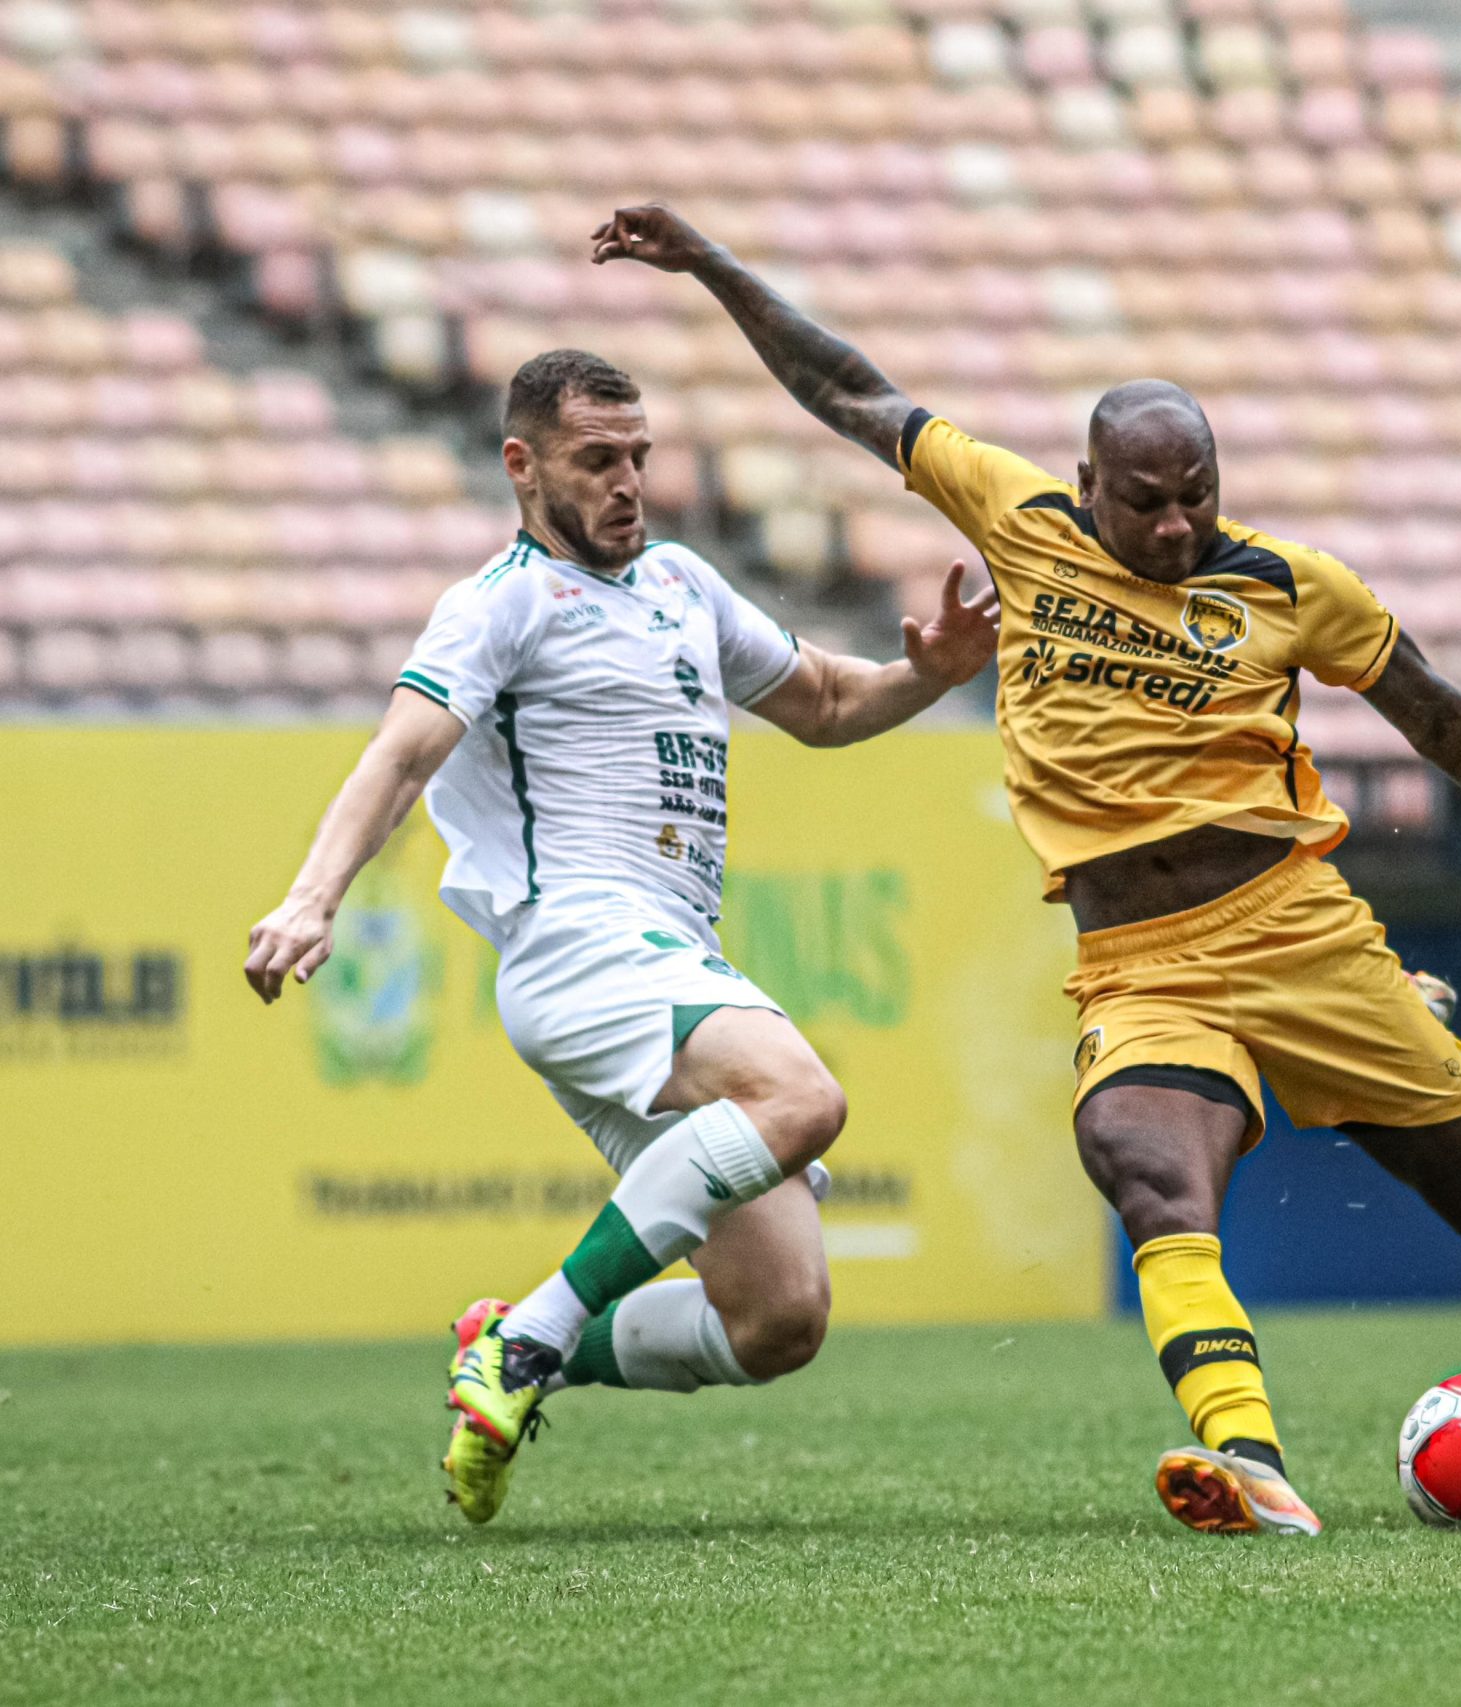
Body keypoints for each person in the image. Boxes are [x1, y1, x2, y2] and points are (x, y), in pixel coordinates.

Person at [592, 201, 1461, 1538]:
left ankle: (1409, 1014)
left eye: (1196, 498)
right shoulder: (1017, 514)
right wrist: (713, 267)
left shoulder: (1288, 586)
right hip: (1141, 962)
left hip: (1298, 933)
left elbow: (1437, 710)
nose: (1173, 528)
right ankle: (1250, 1460)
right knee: (1144, 1164)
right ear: (1090, 485)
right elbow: (849, 390)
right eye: (1145, 504)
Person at [244, 349, 1000, 1524]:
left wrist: (927, 672)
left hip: (662, 953)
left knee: (778, 1319)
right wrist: (312, 897)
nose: (627, 483)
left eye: (639, 457)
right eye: (597, 460)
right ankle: (537, 1339)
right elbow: (400, 752)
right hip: (580, 947)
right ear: (522, 465)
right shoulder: (504, 601)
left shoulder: (684, 585)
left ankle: (507, 1339)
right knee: (801, 1097)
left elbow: (829, 703)